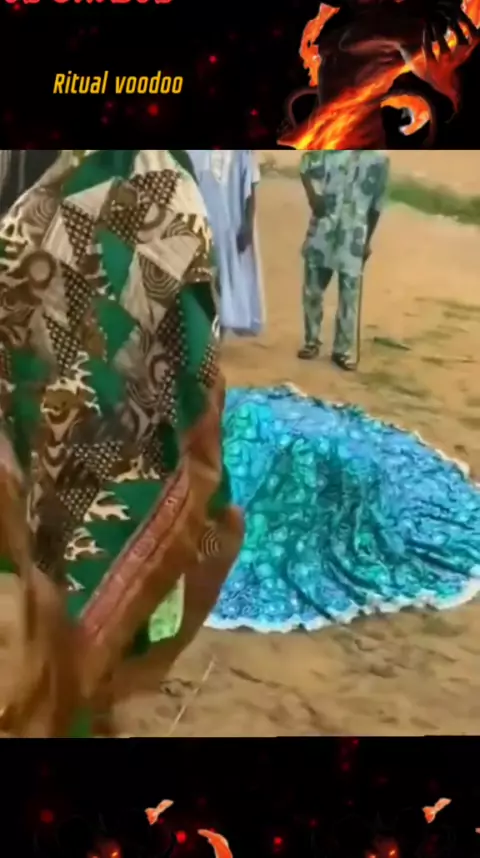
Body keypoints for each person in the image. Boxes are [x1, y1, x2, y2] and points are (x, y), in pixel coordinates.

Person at [0, 149, 243, 737]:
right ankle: (77, 702)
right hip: (117, 438)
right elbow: (194, 352)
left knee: (53, 598)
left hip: (62, 436)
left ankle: (61, 699)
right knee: (97, 606)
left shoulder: (37, 203)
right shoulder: (174, 195)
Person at [297, 150, 389, 370]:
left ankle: (342, 350)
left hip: (354, 235)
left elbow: (376, 205)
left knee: (349, 296)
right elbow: (305, 165)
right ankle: (311, 341)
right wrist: (312, 196)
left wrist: (367, 241)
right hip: (323, 229)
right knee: (312, 288)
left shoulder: (379, 161)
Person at [186, 150, 265, 337]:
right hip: (200, 224)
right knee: (202, 277)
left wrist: (248, 224)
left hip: (231, 226)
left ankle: (222, 326)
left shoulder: (243, 152)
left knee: (226, 277)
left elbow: (251, 185)